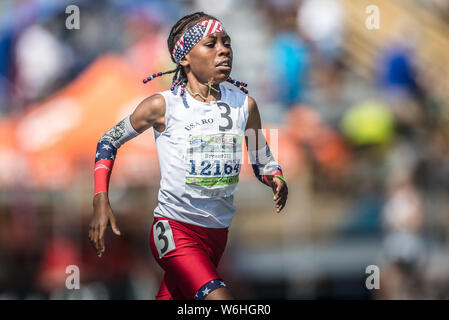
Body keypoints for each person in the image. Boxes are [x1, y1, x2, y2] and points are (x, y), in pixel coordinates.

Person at [89, 12, 288, 300]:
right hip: (173, 230)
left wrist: (275, 175)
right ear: (184, 58)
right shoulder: (162, 106)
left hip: (217, 236)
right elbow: (108, 140)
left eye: (227, 43)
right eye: (211, 44)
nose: (224, 50)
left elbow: (261, 157)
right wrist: (100, 199)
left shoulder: (245, 106)